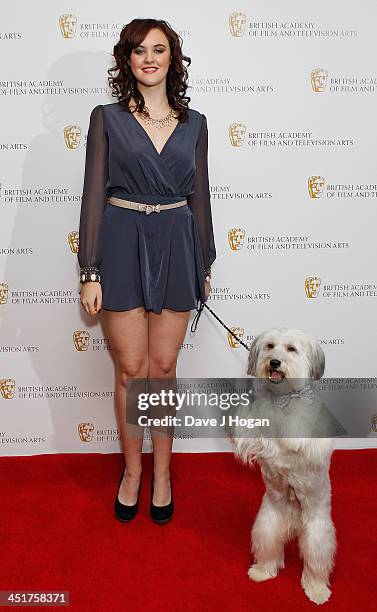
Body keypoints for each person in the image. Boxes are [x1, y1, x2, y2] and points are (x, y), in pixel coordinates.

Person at [77, 18, 216, 524]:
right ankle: (132, 472)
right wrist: (90, 267)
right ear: (127, 60)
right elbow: (93, 192)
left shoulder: (195, 123)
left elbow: (200, 196)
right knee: (131, 371)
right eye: (139, 50)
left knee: (162, 371)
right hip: (120, 241)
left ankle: (162, 473)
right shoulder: (107, 118)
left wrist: (204, 261)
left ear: (172, 58)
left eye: (159, 49)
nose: (150, 58)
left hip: (178, 244)